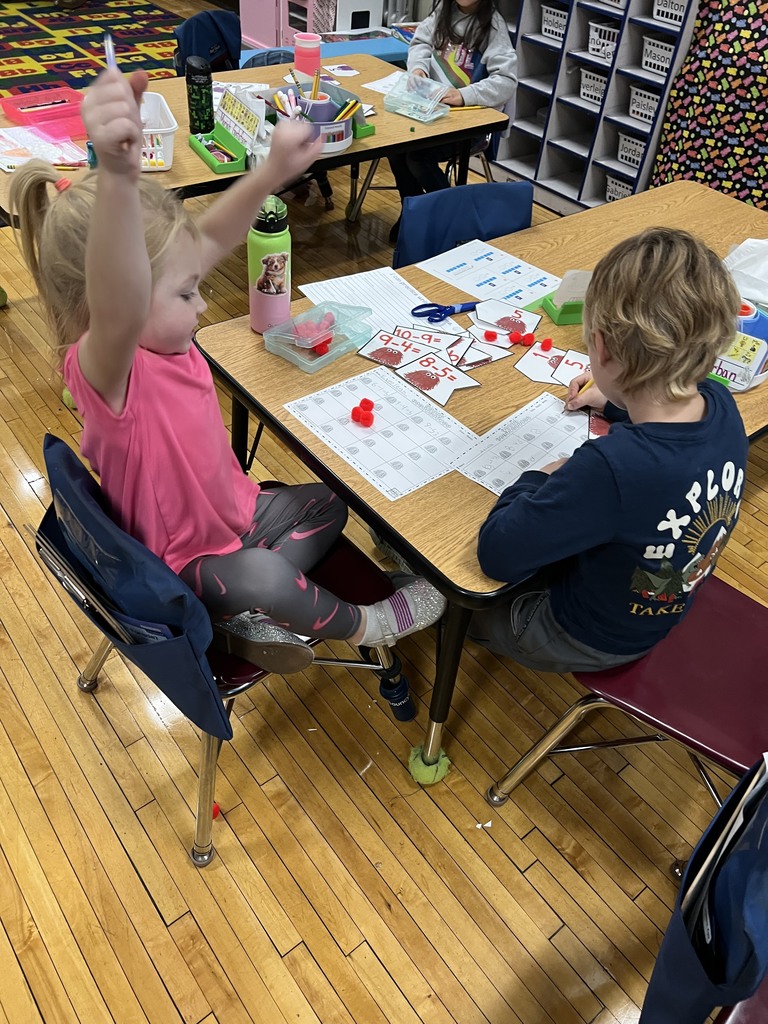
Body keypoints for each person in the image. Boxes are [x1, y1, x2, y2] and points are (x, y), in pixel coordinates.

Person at [10, 66, 446, 674]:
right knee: (264, 576)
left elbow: (212, 234)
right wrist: (116, 174)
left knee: (329, 505)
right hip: (182, 561)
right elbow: (120, 294)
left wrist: (271, 172)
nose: (204, 301)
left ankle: (241, 613)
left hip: (237, 514)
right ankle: (368, 622)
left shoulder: (160, 332)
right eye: (187, 292)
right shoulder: (110, 369)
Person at [467, 227, 748, 673]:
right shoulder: (720, 403)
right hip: (659, 602)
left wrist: (541, 476)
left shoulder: (611, 468)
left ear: (600, 347)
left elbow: (497, 554)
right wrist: (617, 402)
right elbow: (669, 440)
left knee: (455, 593)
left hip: (588, 636)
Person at [388, 0, 517, 243]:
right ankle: (412, 213)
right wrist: (418, 69)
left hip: (467, 123)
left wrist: (463, 95)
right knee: (396, 149)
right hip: (430, 112)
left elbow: (506, 81)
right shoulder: (443, 11)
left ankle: (453, 216)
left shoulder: (492, 26)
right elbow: (421, 42)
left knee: (417, 157)